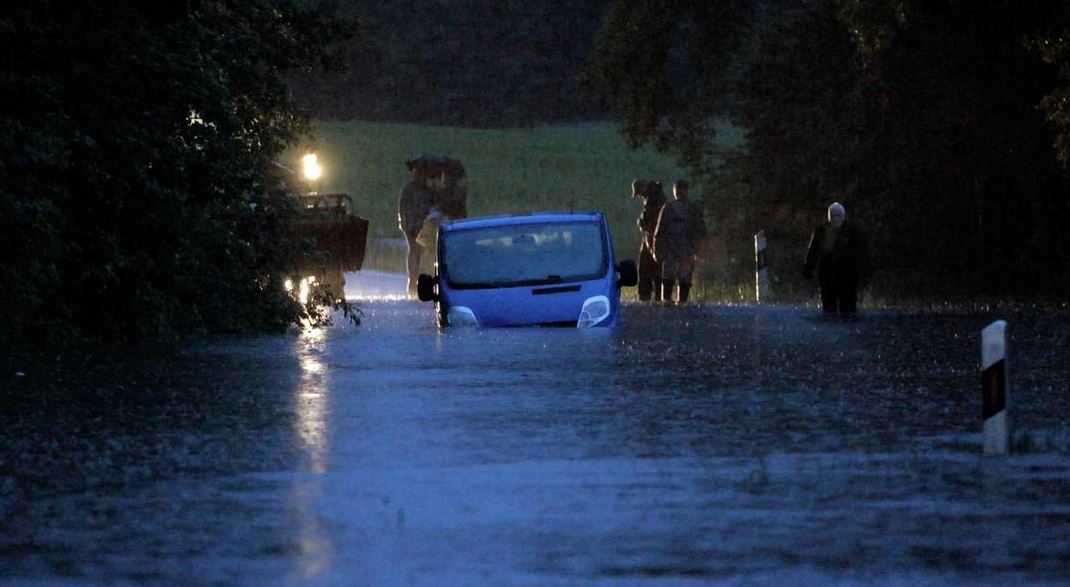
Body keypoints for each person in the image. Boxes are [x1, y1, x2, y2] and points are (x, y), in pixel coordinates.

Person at [803, 202, 869, 319]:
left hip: (848, 279)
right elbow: (813, 252)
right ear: (829, 217)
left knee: (848, 311)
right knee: (830, 312)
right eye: (833, 215)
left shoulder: (852, 232)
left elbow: (862, 253)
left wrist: (864, 272)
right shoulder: (821, 231)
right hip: (829, 278)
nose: (836, 218)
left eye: (838, 215)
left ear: (843, 217)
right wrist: (808, 270)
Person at [653, 179, 707, 304]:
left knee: (676, 276)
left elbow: (659, 231)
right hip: (681, 248)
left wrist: (657, 249)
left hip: (679, 248)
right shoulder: (689, 208)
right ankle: (674, 301)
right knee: (677, 276)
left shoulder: (671, 208)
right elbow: (701, 232)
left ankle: (672, 302)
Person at [398, 162, 434, 297]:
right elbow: (403, 208)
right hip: (413, 225)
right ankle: (413, 282)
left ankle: (418, 282)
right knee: (415, 252)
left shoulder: (426, 190)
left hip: (423, 225)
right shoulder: (410, 189)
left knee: (419, 253)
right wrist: (406, 223)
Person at [633, 179, 666, 302]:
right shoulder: (656, 196)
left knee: (646, 269)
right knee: (655, 270)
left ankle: (647, 298)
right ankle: (658, 297)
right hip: (656, 238)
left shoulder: (653, 199)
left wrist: (641, 222)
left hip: (654, 239)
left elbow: (647, 219)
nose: (640, 197)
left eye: (639, 194)